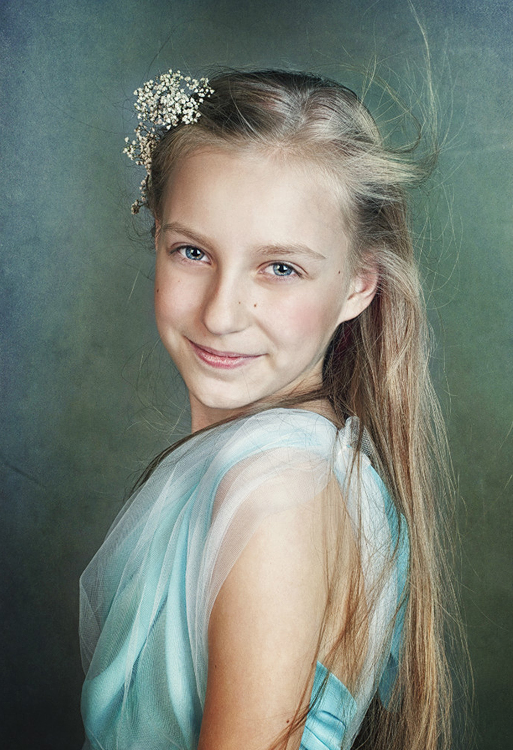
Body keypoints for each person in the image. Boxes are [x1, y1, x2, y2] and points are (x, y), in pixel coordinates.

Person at [79, 69, 456, 750]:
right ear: (157, 237)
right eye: (193, 252)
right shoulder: (300, 464)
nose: (221, 314)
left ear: (358, 284)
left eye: (280, 268)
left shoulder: (278, 489)